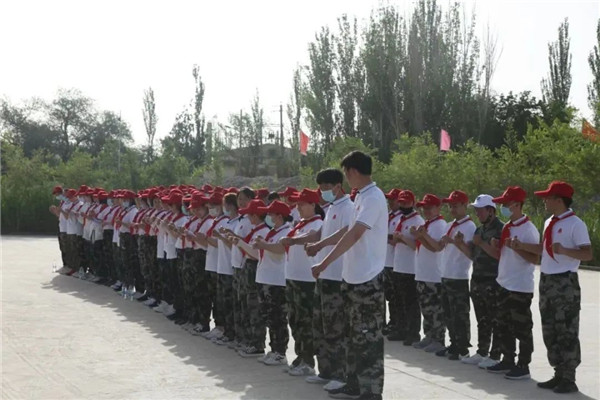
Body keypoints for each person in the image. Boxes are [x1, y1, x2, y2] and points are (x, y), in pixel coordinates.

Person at [311, 151, 386, 400]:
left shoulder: (373, 197)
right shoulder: (361, 197)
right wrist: (324, 250)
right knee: (353, 336)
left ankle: (372, 390)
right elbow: (347, 230)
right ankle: (354, 384)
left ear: (353, 171)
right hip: (352, 278)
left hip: (367, 279)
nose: (346, 178)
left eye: (346, 173)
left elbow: (354, 235)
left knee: (368, 337)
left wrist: (324, 262)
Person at [523, 181, 592, 393]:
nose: (544, 201)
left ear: (559, 200)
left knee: (566, 330)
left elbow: (587, 254)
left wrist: (564, 250)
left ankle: (569, 377)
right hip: (547, 280)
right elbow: (545, 250)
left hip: (565, 282)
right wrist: (521, 246)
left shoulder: (576, 224)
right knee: (550, 329)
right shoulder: (548, 222)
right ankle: (558, 372)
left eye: (548, 198)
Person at [300, 168, 354, 390]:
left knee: (336, 328)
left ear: (338, 186)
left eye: (326, 188)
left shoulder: (348, 207)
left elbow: (346, 233)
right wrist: (309, 243)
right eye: (320, 188)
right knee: (320, 326)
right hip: (324, 276)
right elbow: (322, 233)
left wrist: (320, 245)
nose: (323, 192)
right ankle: (326, 371)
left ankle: (341, 375)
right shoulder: (331, 207)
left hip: (337, 276)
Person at [487, 186, 539, 380]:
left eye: (506, 204)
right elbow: (503, 255)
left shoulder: (528, 229)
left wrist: (518, 247)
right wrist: (496, 245)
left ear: (517, 205)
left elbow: (535, 259)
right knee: (503, 325)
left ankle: (523, 365)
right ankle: (507, 359)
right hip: (504, 283)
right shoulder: (507, 227)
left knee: (522, 327)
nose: (503, 208)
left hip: (519, 286)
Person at [280, 188, 324, 376]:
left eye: (302, 204)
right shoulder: (299, 224)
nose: (298, 208)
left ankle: (308, 361)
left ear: (313, 205)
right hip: (293, 277)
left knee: (306, 321)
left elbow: (313, 237)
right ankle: (300, 355)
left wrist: (293, 240)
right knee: (295, 319)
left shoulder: (318, 223)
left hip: (306, 280)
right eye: (297, 204)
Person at [459, 194, 503, 369]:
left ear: (491, 210)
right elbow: (473, 255)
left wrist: (482, 243)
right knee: (482, 319)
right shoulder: (479, 230)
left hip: (493, 281)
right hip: (477, 279)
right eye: (476, 210)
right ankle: (482, 351)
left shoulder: (500, 229)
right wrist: (460, 244)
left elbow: (499, 255)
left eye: (480, 210)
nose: (477, 213)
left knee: (496, 320)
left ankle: (495, 355)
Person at [251, 200, 293, 364]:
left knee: (278, 317)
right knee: (269, 316)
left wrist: (264, 244)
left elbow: (281, 249)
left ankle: (280, 352)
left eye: (271, 214)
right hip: (266, 277)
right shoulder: (273, 231)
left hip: (276, 280)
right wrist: (263, 244)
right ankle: (274, 348)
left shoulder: (286, 231)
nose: (268, 216)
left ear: (280, 216)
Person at [438, 190, 476, 360]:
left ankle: (462, 346)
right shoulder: (449, 225)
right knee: (448, 313)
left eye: (455, 206)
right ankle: (453, 343)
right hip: (446, 273)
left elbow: (471, 253)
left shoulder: (469, 226)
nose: (452, 209)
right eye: (450, 206)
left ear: (464, 206)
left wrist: (454, 242)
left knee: (460, 313)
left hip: (459, 275)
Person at [411, 194, 447, 354]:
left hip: (434, 274)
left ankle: (438, 339)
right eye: (424, 208)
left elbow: (437, 247)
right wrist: (419, 236)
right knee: (426, 307)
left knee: (435, 308)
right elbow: (426, 245)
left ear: (438, 208)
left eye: (430, 207)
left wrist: (423, 235)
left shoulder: (439, 224)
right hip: (423, 272)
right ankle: (429, 335)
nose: (426, 211)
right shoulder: (428, 224)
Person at [390, 189, 424, 346]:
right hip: (398, 265)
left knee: (411, 303)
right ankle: (401, 329)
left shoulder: (417, 221)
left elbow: (416, 245)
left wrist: (402, 238)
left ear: (413, 203)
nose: (403, 205)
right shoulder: (401, 219)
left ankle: (413, 332)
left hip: (410, 267)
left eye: (406, 203)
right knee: (399, 301)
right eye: (401, 202)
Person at [383, 188, 402, 338]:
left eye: (393, 199)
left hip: (395, 262)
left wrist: (385, 236)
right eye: (389, 199)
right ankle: (392, 323)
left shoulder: (401, 217)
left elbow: (396, 237)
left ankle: (398, 324)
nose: (390, 202)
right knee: (389, 296)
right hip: (385, 261)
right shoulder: (388, 215)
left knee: (397, 297)